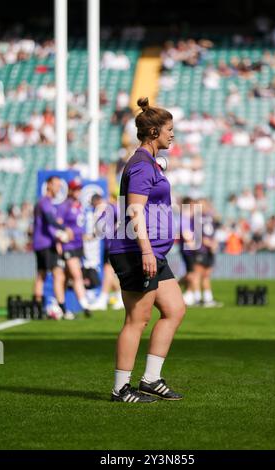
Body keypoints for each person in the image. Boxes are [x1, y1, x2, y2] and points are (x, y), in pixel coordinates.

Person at [109, 97, 186, 403]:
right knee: (137, 321)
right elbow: (134, 212)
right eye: (169, 129)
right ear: (154, 132)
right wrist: (145, 252)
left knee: (175, 309)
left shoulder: (150, 162)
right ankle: (120, 388)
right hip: (137, 251)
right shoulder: (141, 165)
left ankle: (151, 380)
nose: (173, 134)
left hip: (152, 252)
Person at [56, 177, 103, 316]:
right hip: (68, 246)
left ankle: (61, 306)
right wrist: (60, 240)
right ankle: (85, 306)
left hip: (78, 245)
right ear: (70, 190)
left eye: (79, 189)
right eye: (75, 189)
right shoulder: (65, 205)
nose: (77, 191)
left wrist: (86, 237)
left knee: (65, 276)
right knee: (76, 274)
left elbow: (78, 227)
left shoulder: (79, 206)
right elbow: (58, 225)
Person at [33, 175, 74, 319]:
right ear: (49, 185)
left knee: (41, 274)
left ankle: (36, 309)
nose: (58, 188)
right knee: (58, 274)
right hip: (45, 244)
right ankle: (63, 309)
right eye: (56, 185)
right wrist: (65, 229)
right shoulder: (45, 202)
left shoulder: (45, 203)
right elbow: (51, 221)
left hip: (40, 243)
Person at [182, 198, 223, 308]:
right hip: (200, 250)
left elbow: (215, 229)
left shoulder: (209, 217)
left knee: (206, 275)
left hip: (209, 250)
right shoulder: (195, 218)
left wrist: (214, 243)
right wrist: (210, 244)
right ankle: (197, 298)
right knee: (197, 274)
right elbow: (198, 235)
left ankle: (207, 298)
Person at [91, 193, 124, 311]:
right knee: (109, 272)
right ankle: (120, 297)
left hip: (113, 245)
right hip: (108, 245)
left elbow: (122, 219)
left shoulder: (111, 208)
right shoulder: (101, 212)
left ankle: (103, 298)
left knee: (108, 271)